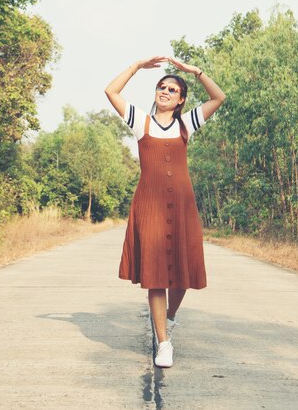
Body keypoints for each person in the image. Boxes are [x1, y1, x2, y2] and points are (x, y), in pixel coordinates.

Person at [104, 56, 225, 368]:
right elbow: (111, 91)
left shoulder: (187, 125)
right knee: (156, 276)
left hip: (183, 207)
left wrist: (194, 72)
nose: (166, 91)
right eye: (162, 86)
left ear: (181, 99)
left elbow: (218, 97)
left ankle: (168, 318)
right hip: (150, 207)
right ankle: (163, 342)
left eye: (173, 89)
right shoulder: (140, 122)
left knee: (183, 274)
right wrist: (135, 67)